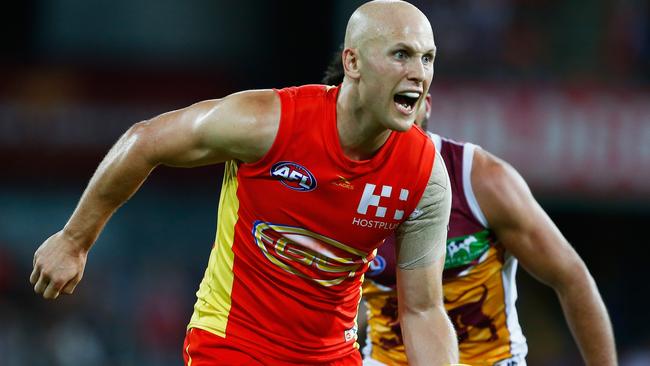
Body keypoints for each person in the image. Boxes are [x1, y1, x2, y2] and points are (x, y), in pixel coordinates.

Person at [30, 1, 459, 365]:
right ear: (353, 62)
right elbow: (146, 141)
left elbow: (421, 310)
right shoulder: (268, 124)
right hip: (232, 345)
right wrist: (75, 239)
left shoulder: (424, 175)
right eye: (401, 54)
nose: (419, 73)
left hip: (332, 356)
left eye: (428, 58)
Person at [323, 48, 618, 365]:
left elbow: (572, 279)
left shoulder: (482, 181)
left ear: (426, 108)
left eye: (406, 102)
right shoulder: (330, 190)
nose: (391, 124)